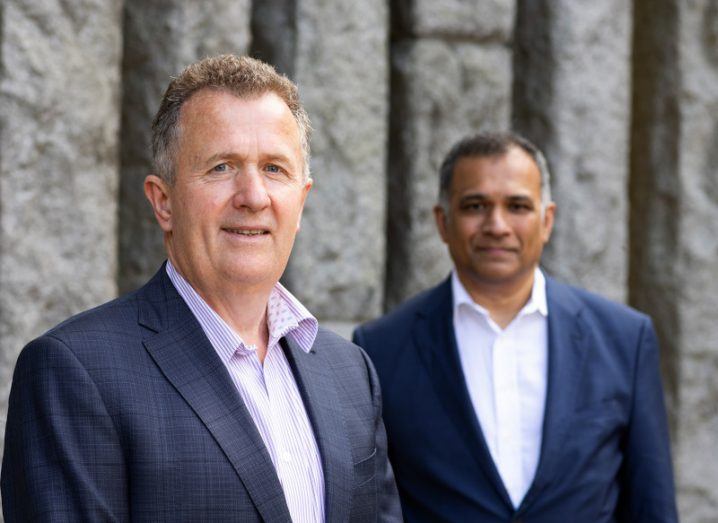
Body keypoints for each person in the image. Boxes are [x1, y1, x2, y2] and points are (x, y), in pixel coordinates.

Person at [2, 54, 401, 522]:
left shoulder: (350, 372)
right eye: (221, 167)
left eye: (274, 168)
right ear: (163, 202)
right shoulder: (75, 372)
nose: (253, 196)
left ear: (302, 200)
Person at [353, 132, 678, 522]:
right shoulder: (381, 348)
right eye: (475, 205)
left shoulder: (624, 339)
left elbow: (651, 506)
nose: (497, 225)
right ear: (443, 222)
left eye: (517, 206)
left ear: (547, 221)